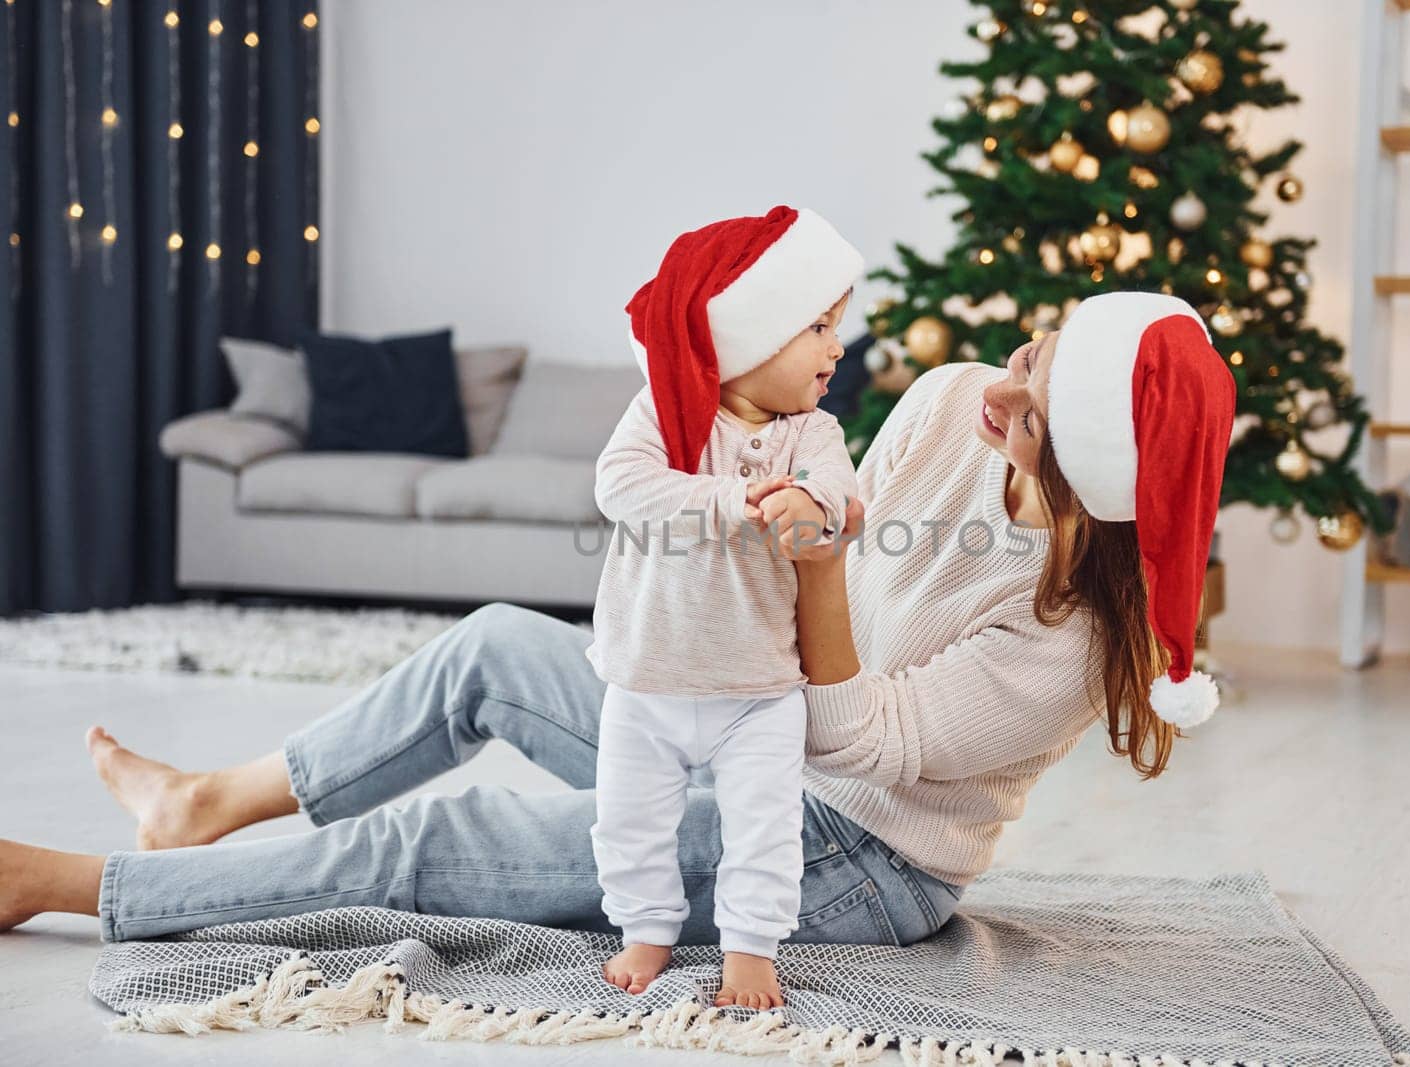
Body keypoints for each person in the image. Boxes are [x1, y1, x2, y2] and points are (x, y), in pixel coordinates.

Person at [0, 292, 1237, 1010]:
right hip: (752, 715)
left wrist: (805, 570)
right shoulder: (953, 399)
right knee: (486, 648)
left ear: (1093, 471)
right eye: (1034, 350)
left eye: (1037, 405)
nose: (1003, 385)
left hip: (857, 845)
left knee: (444, 846)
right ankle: (205, 801)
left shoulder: (1072, 639)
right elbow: (824, 536)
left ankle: (71, 885)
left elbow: (856, 739)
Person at [588, 206, 861, 1008]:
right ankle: (646, 925)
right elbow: (619, 486)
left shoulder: (811, 433)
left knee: (766, 827)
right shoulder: (664, 416)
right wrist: (734, 497)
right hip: (646, 680)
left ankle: (750, 945)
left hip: (757, 689)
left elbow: (844, 496)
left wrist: (816, 505)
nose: (836, 347)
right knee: (628, 822)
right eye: (817, 325)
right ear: (749, 335)